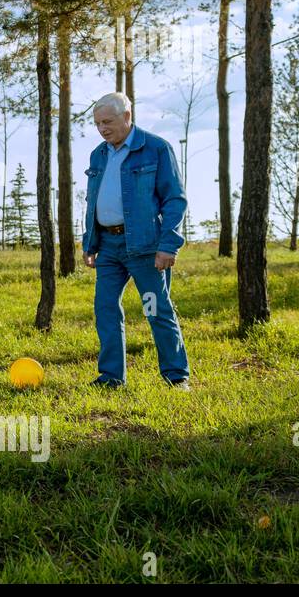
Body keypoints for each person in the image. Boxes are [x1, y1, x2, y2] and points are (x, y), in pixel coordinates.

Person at [82, 92, 191, 391]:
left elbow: (174, 200)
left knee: (155, 309)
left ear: (127, 116)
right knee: (105, 309)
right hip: (108, 248)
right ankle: (111, 378)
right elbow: (92, 201)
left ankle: (176, 376)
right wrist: (88, 243)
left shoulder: (155, 149)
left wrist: (168, 245)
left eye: (108, 122)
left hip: (146, 248)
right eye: (97, 124)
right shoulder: (98, 155)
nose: (103, 129)